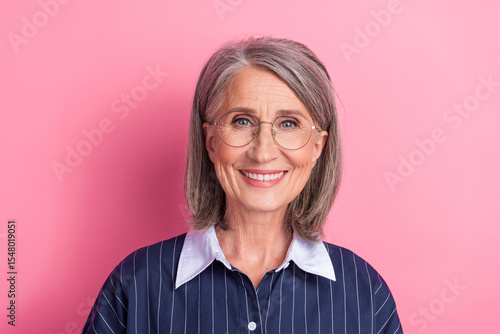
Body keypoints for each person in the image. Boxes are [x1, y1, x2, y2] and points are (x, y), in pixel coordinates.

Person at [82, 36, 403, 333]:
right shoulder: (136, 285)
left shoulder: (365, 293)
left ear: (317, 146)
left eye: (288, 123)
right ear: (210, 141)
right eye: (241, 121)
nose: (263, 152)